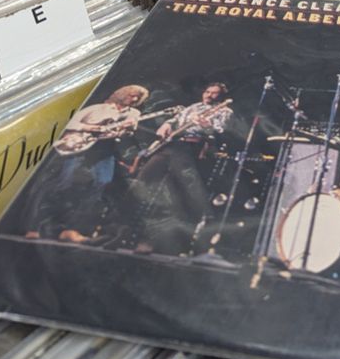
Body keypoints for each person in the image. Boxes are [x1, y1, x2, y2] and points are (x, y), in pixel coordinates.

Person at [25, 84, 150, 244]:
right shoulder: (97, 108)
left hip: (106, 149)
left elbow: (129, 132)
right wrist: (91, 127)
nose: (134, 99)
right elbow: (69, 123)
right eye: (132, 95)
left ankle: (73, 229)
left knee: (101, 183)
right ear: (121, 93)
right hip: (81, 147)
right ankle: (36, 227)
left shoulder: (134, 113)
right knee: (65, 183)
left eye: (137, 98)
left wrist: (127, 129)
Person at [130, 83, 233, 255]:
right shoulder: (192, 107)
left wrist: (206, 125)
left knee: (180, 195)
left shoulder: (224, 111)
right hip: (171, 146)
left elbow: (220, 131)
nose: (209, 95)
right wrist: (167, 124)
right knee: (143, 181)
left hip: (193, 149)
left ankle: (176, 244)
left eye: (215, 94)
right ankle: (126, 232)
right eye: (207, 91)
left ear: (221, 97)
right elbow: (176, 119)